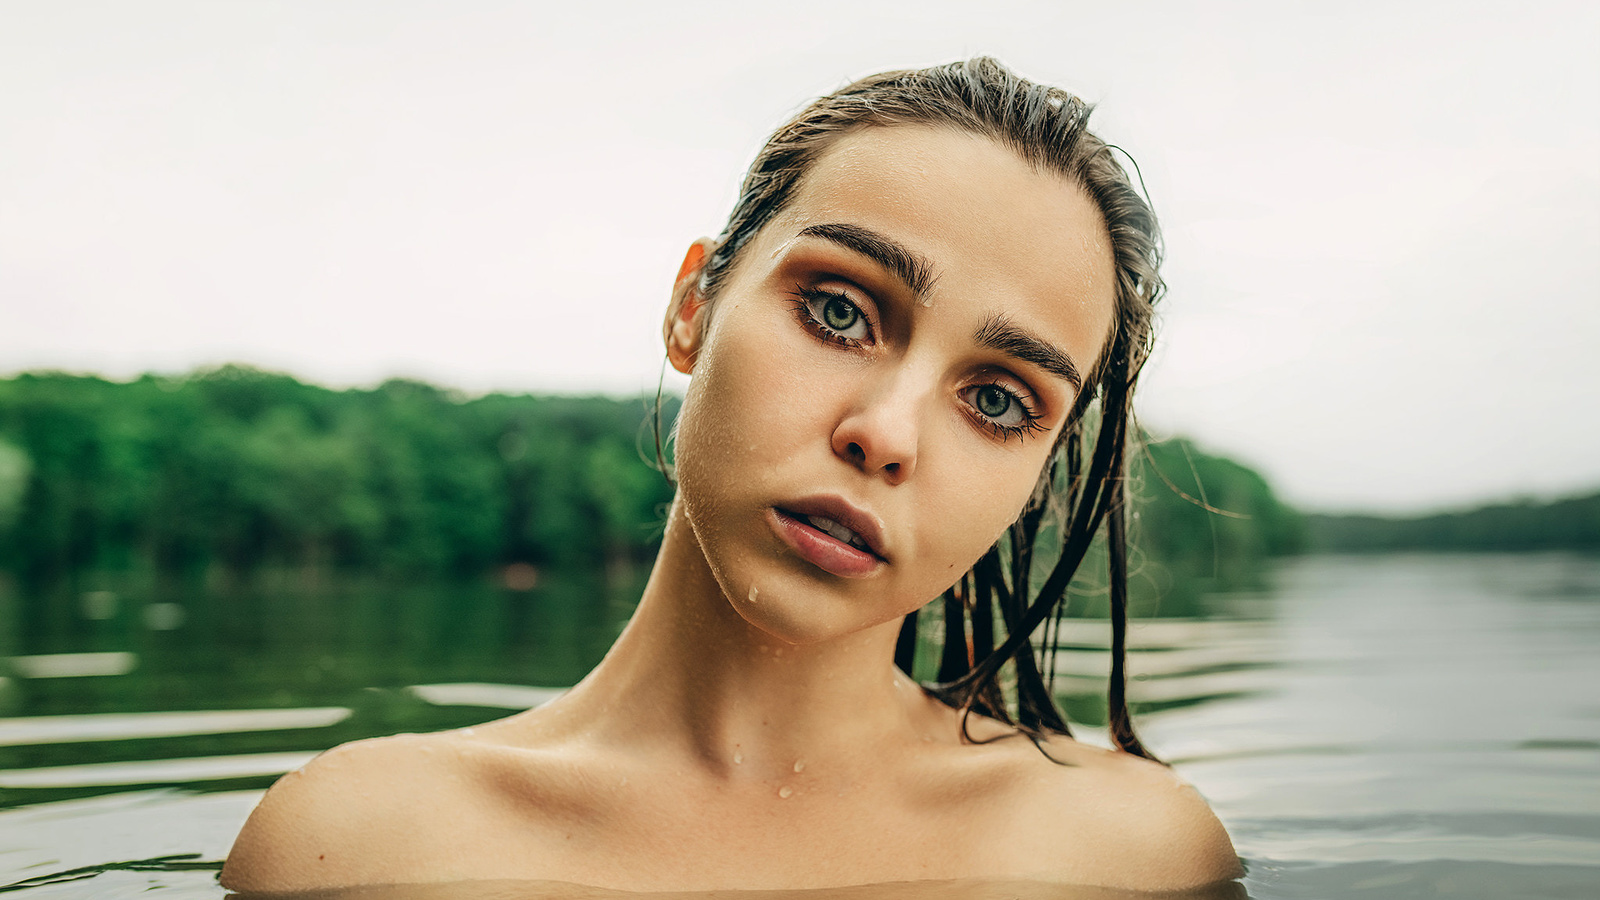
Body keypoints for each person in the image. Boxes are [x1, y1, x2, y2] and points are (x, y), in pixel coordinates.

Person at [221, 57, 1241, 894]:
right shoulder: (356, 848)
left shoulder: (1132, 857)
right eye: (840, 310)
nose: (885, 435)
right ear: (692, 309)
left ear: (1038, 480)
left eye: (998, 399)